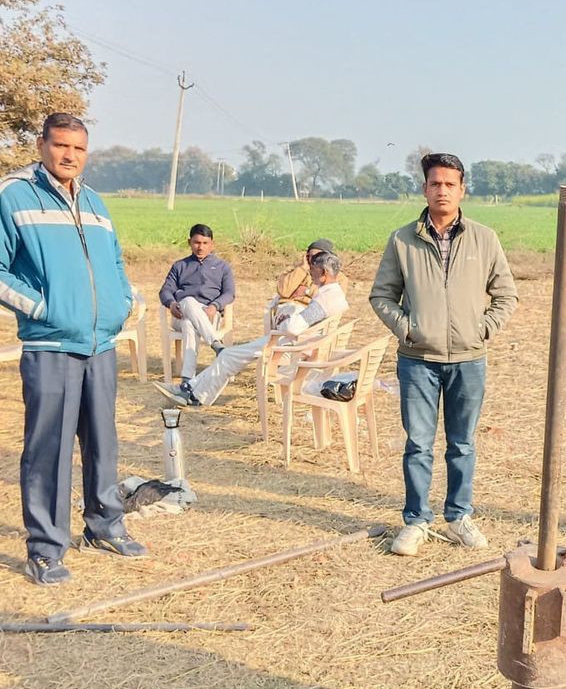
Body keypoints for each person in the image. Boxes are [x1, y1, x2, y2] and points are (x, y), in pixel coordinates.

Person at [0, 113, 147, 585]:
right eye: (61, 146)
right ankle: (45, 547)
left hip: (101, 344)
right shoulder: (14, 195)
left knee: (103, 441)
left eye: (79, 149)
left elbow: (116, 261)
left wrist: (124, 300)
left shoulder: (97, 203)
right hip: (51, 345)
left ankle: (104, 524)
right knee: (49, 449)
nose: (69, 156)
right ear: (41, 144)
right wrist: (44, 309)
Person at [370, 152, 517, 556]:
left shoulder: (484, 239)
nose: (442, 191)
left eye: (450, 184)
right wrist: (408, 328)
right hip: (417, 360)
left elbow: (506, 295)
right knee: (418, 443)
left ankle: (458, 517)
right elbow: (382, 295)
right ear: (425, 189)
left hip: (469, 360)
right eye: (435, 184)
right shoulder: (403, 240)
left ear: (462, 190)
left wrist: (481, 329)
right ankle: (416, 521)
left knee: (462, 444)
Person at [154, 250, 347, 407]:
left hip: (288, 345)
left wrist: (288, 318)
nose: (310, 274)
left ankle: (192, 392)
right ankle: (192, 389)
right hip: (295, 342)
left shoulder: (325, 298)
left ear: (323, 274)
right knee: (229, 356)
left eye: (313, 271)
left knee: (228, 356)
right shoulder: (335, 294)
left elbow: (293, 327)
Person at [158, 223, 235, 385]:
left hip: (209, 314)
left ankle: (187, 379)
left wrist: (215, 306)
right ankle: (216, 344)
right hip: (180, 313)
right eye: (197, 243)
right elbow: (165, 291)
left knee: (189, 325)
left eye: (205, 243)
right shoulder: (179, 266)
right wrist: (171, 304)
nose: (201, 247)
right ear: (189, 242)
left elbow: (229, 293)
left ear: (212, 244)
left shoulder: (222, 267)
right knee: (188, 301)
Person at [275, 238, 334, 308]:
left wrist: (307, 291)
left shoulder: (336, 276)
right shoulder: (295, 270)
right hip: (290, 308)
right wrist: (302, 269)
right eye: (312, 256)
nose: (315, 259)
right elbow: (284, 291)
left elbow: (333, 298)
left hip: (315, 311)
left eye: (319, 256)